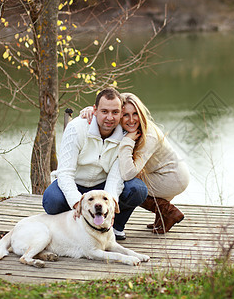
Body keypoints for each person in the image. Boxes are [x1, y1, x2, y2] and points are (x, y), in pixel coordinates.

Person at [43, 87, 148, 240]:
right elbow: (65, 173)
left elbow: (115, 178)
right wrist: (78, 203)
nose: (110, 118)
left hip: (102, 186)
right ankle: (75, 227)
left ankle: (115, 226)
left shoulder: (125, 136)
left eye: (115, 112)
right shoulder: (76, 128)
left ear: (121, 112)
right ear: (95, 110)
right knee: (52, 201)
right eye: (104, 111)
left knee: (138, 189)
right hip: (75, 183)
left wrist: (110, 208)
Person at [81, 92, 189, 234]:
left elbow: (128, 173)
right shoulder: (129, 128)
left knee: (131, 187)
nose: (131, 120)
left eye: (135, 114)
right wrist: (91, 111)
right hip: (162, 174)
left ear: (141, 113)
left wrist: (127, 142)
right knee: (123, 179)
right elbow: (107, 110)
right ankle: (162, 215)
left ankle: (169, 212)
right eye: (125, 115)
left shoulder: (147, 135)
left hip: (171, 178)